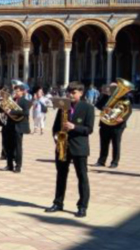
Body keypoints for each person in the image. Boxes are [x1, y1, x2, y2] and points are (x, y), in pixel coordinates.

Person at [47, 82, 94, 218]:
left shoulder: (88, 108)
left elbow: (89, 129)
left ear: (81, 93)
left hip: (79, 147)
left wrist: (74, 127)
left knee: (82, 177)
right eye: (69, 92)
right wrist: (57, 139)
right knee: (61, 175)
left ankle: (82, 206)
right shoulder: (63, 107)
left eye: (73, 92)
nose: (70, 95)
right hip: (63, 145)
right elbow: (55, 127)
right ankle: (58, 202)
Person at [95, 82, 132, 169]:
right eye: (110, 87)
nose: (112, 89)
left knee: (116, 143)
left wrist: (123, 118)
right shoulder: (106, 96)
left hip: (117, 125)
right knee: (104, 143)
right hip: (105, 123)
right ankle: (101, 161)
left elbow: (129, 110)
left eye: (114, 88)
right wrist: (104, 101)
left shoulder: (124, 98)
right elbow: (97, 105)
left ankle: (114, 162)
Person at [1, 82, 31, 173]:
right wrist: (3, 105)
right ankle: (9, 165)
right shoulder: (12, 100)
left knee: (18, 147)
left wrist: (12, 111)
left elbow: (26, 113)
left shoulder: (25, 101)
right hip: (10, 125)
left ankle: (18, 166)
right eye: (15, 91)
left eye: (18, 91)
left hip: (19, 126)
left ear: (22, 92)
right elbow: (0, 109)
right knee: (8, 146)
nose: (16, 93)